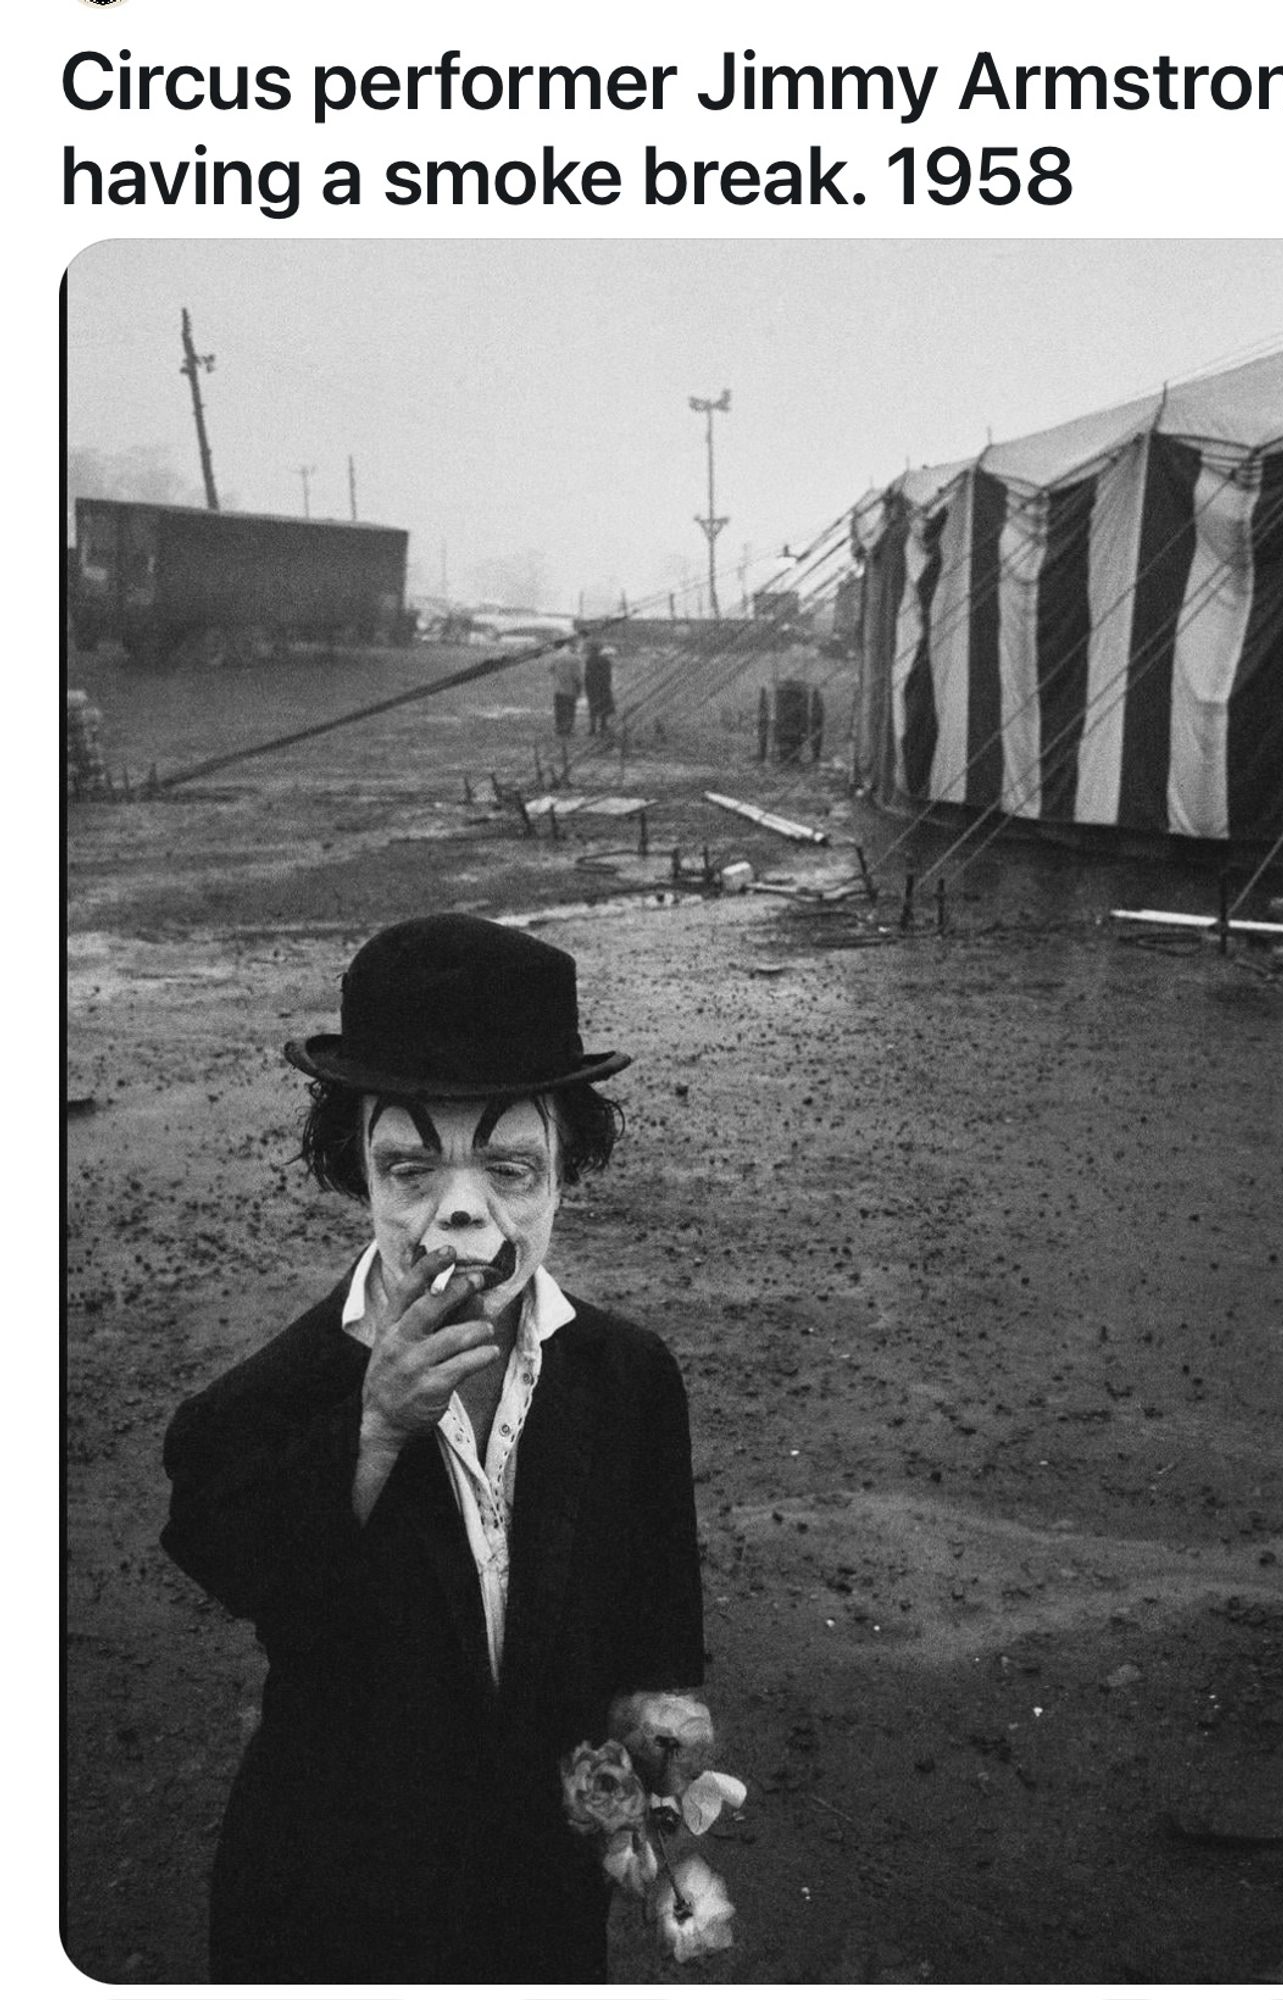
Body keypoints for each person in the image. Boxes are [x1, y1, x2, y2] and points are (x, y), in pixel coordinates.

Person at [161, 913, 705, 1983]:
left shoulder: (629, 1376)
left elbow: (658, 1617)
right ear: (355, 1168)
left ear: (563, 1167)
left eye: (507, 1164)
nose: (461, 1212)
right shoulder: (269, 1397)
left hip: (539, 1904)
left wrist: (659, 1784)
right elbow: (223, 1549)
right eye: (410, 1168)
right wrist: (370, 1428)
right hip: (331, 1904)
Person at [584, 638, 616, 737]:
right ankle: (603, 725)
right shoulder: (605, 660)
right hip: (603, 687)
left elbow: (587, 675)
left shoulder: (589, 660)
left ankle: (592, 728)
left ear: (592, 650)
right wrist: (607, 685)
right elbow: (608, 675)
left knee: (593, 707)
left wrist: (587, 686)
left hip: (592, 688)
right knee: (604, 706)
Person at [550, 641, 582, 735]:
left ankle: (559, 729)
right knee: (570, 710)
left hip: (558, 689)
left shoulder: (557, 657)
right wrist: (579, 689)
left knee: (559, 710)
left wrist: (558, 675)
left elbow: (550, 669)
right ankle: (568, 729)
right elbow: (577, 677)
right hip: (570, 690)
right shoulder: (575, 659)